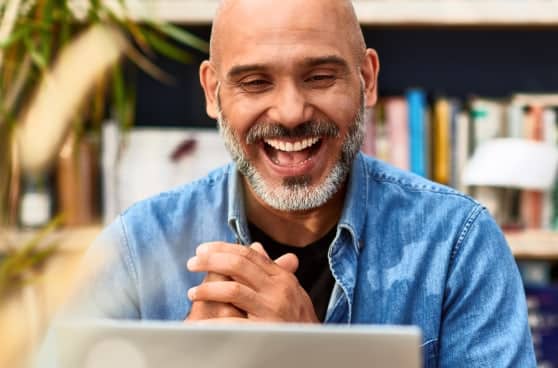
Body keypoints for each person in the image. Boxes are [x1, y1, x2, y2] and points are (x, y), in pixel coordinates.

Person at [61, 0, 536, 366]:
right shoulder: (136, 247)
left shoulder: (458, 243)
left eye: (320, 76)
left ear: (367, 79)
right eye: (255, 82)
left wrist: (312, 355)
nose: (290, 113)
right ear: (213, 92)